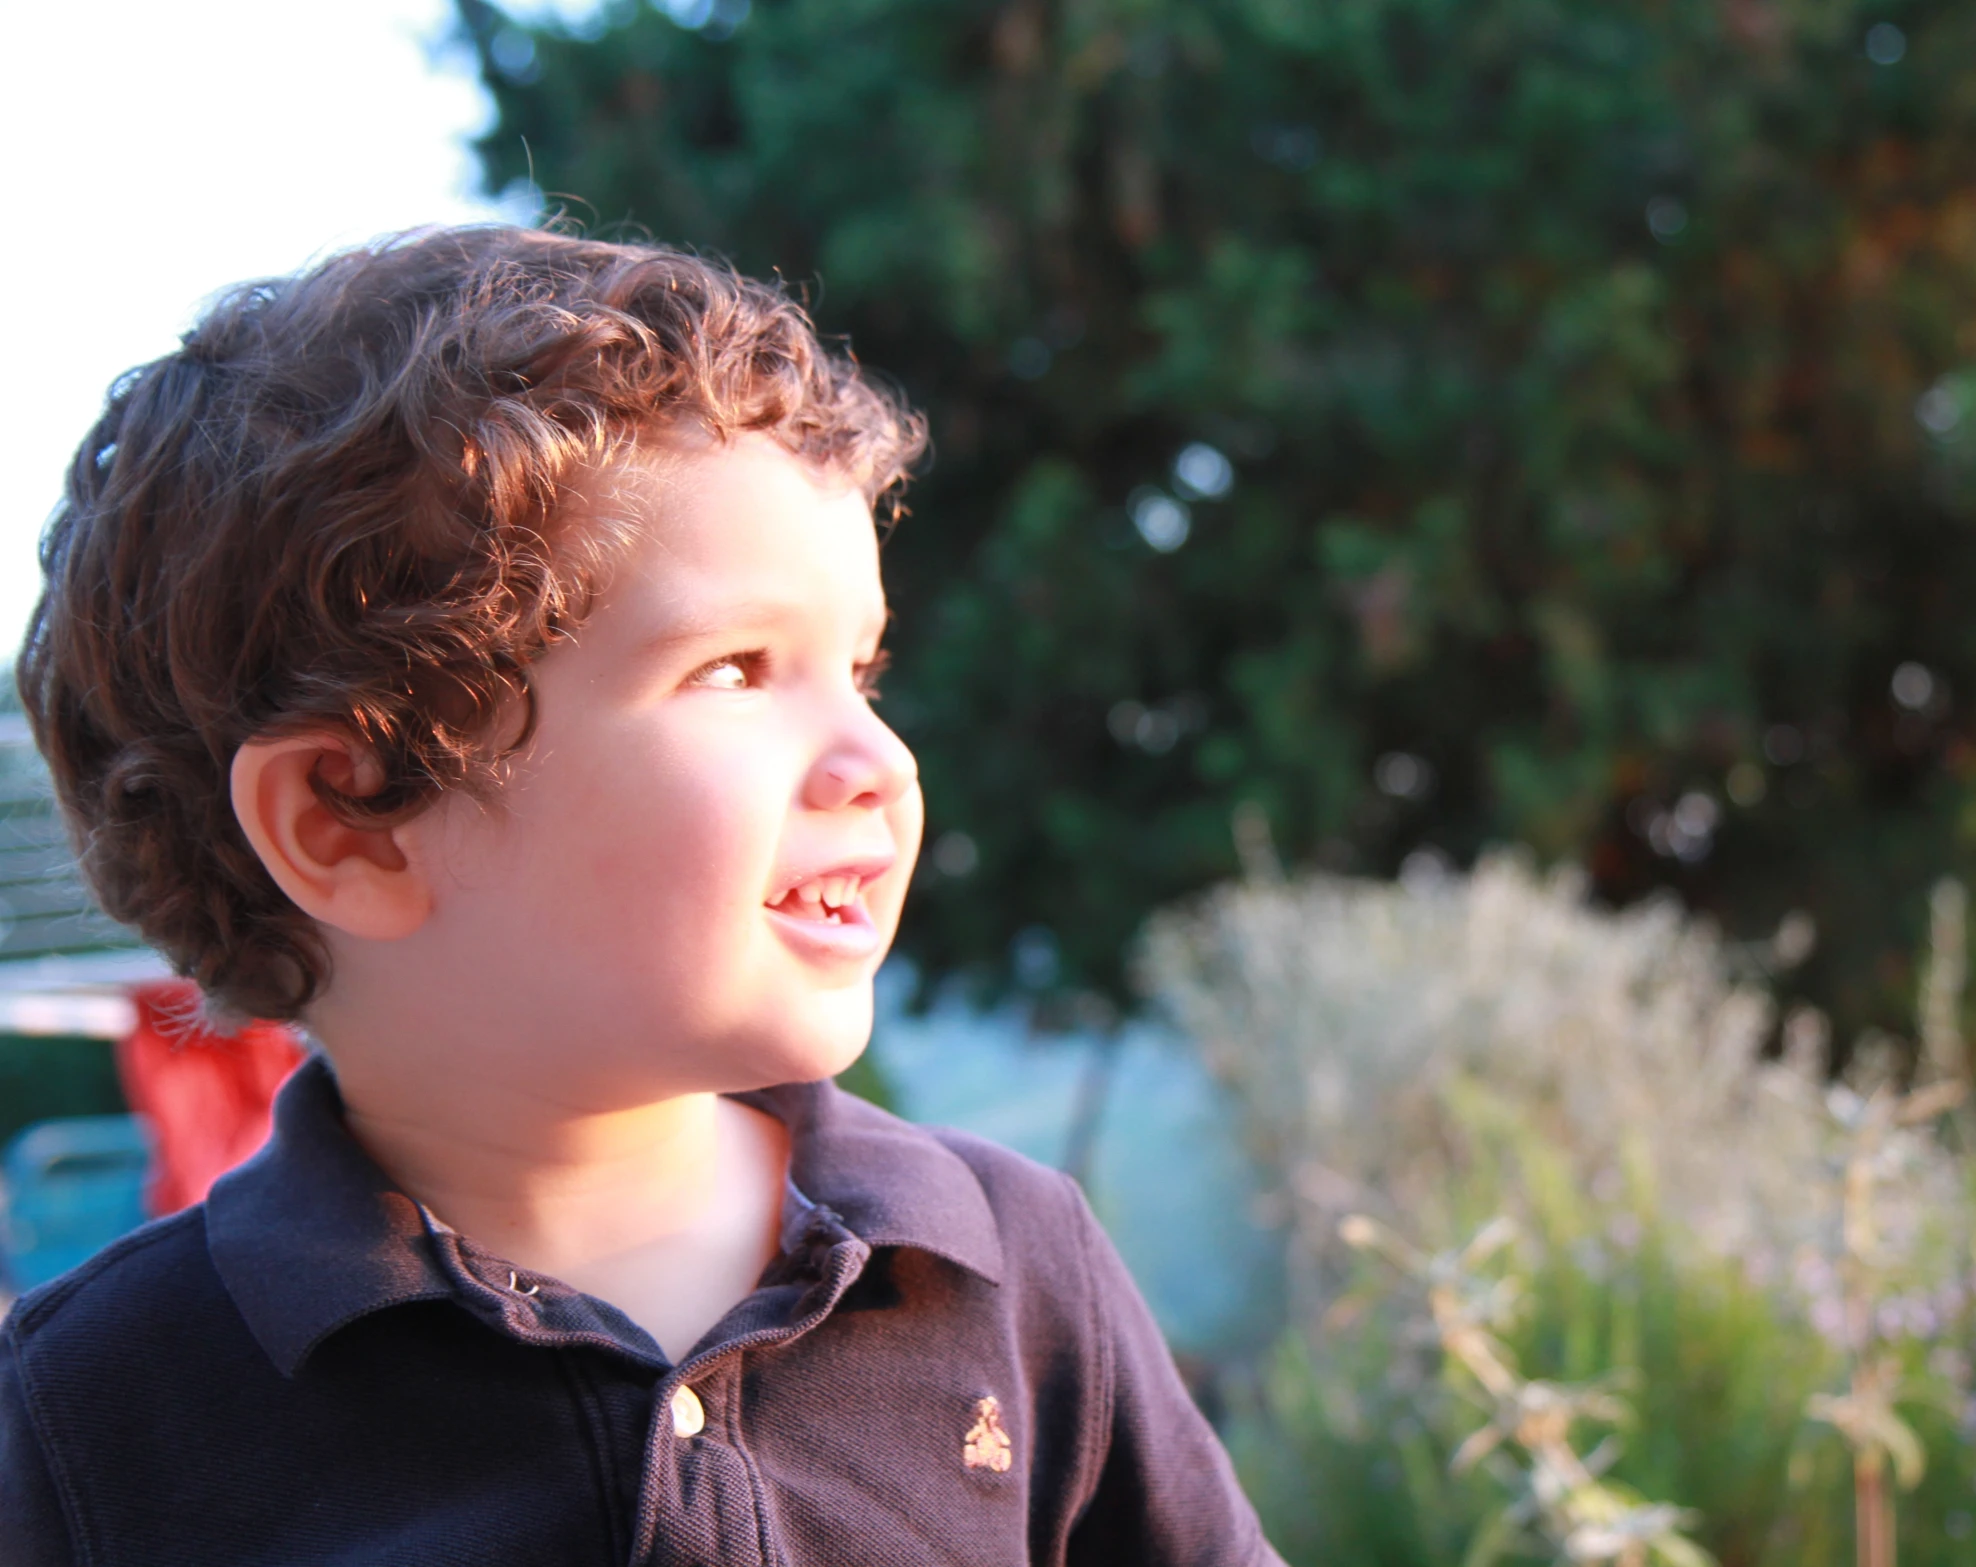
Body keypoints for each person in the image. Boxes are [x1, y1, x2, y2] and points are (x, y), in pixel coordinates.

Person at [0, 227, 1279, 1566]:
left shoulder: (1006, 1269)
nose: (875, 762)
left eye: (861, 669)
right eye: (733, 670)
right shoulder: (102, 1413)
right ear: (348, 820)